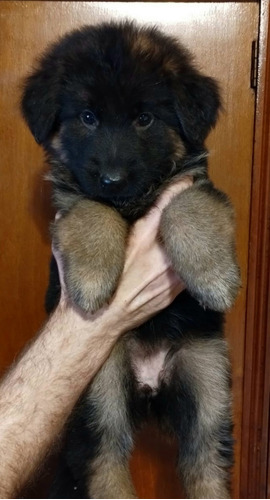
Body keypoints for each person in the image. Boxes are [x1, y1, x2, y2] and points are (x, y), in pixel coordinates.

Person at [0, 178, 192, 498]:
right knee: (102, 447)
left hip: (180, 343)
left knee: (207, 440)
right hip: (101, 376)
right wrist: (94, 322)